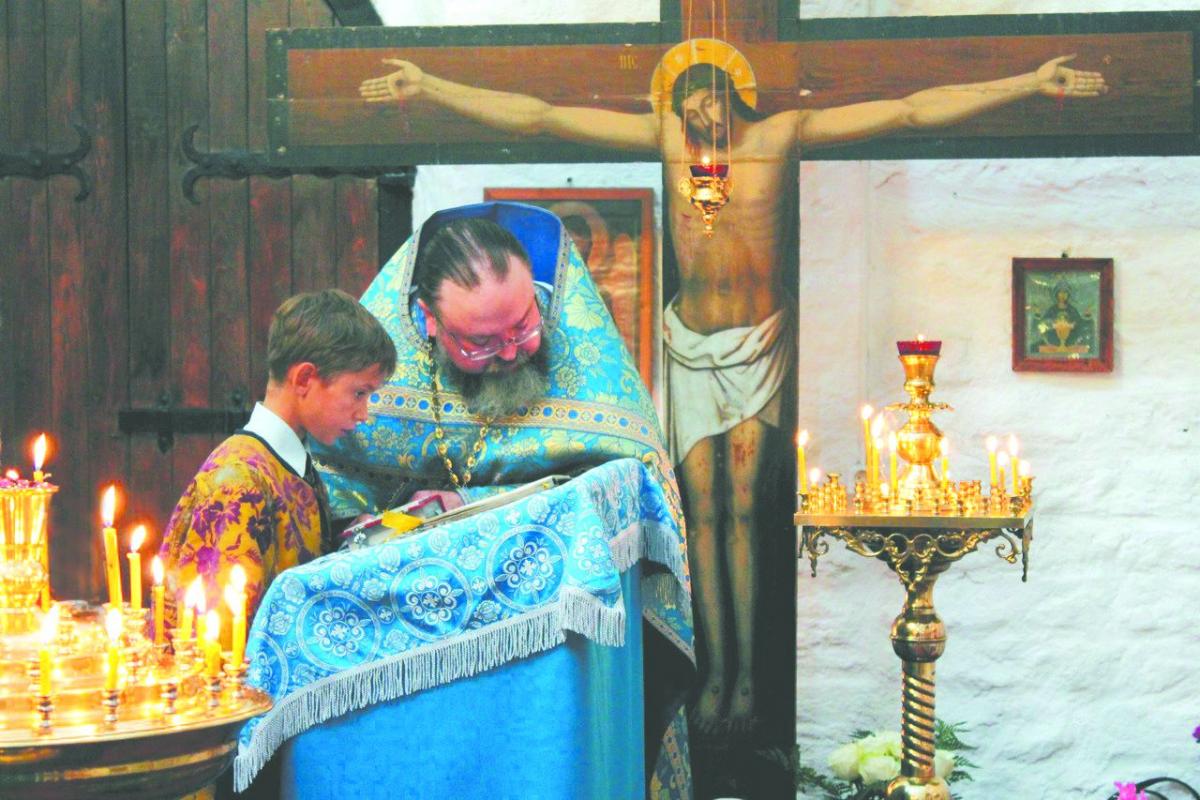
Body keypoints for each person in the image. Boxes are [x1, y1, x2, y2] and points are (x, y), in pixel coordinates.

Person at [358, 42, 1108, 738]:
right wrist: (431, 86)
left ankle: (748, 678)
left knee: (748, 509)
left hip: (758, 342)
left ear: (736, 94)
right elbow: (543, 115)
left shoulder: (780, 135)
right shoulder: (668, 141)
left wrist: (1029, 81)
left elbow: (909, 110)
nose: (700, 119)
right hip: (689, 344)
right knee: (703, 513)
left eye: (711, 101)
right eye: (687, 107)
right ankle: (713, 673)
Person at [313, 201, 694, 798]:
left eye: (524, 325)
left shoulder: (582, 367)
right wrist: (369, 522)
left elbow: (636, 484)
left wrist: (473, 500)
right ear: (427, 320)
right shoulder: (383, 380)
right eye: (483, 342)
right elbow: (331, 481)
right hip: (411, 666)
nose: (513, 352)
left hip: (549, 668)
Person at [158, 289, 397, 630]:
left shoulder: (290, 461)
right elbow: (218, 634)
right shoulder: (239, 480)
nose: (364, 414)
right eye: (359, 393)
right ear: (304, 379)